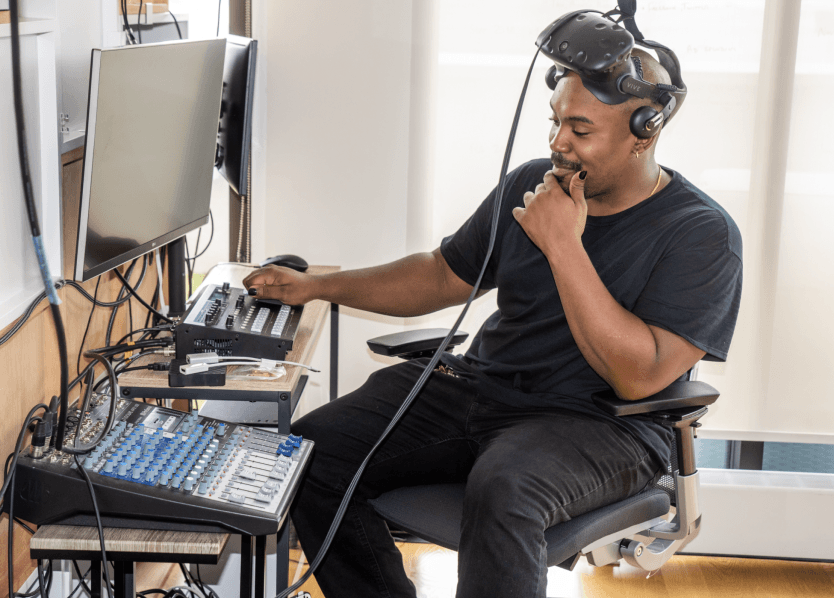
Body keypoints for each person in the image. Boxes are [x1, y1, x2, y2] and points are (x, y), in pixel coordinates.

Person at [243, 45, 741, 598]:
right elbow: (440, 274)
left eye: (580, 129)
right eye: (555, 122)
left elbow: (640, 375)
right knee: (311, 453)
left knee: (507, 490)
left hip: (601, 424)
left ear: (644, 132)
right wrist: (316, 286)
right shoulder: (533, 183)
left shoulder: (701, 234)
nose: (558, 144)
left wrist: (563, 247)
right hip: (480, 389)